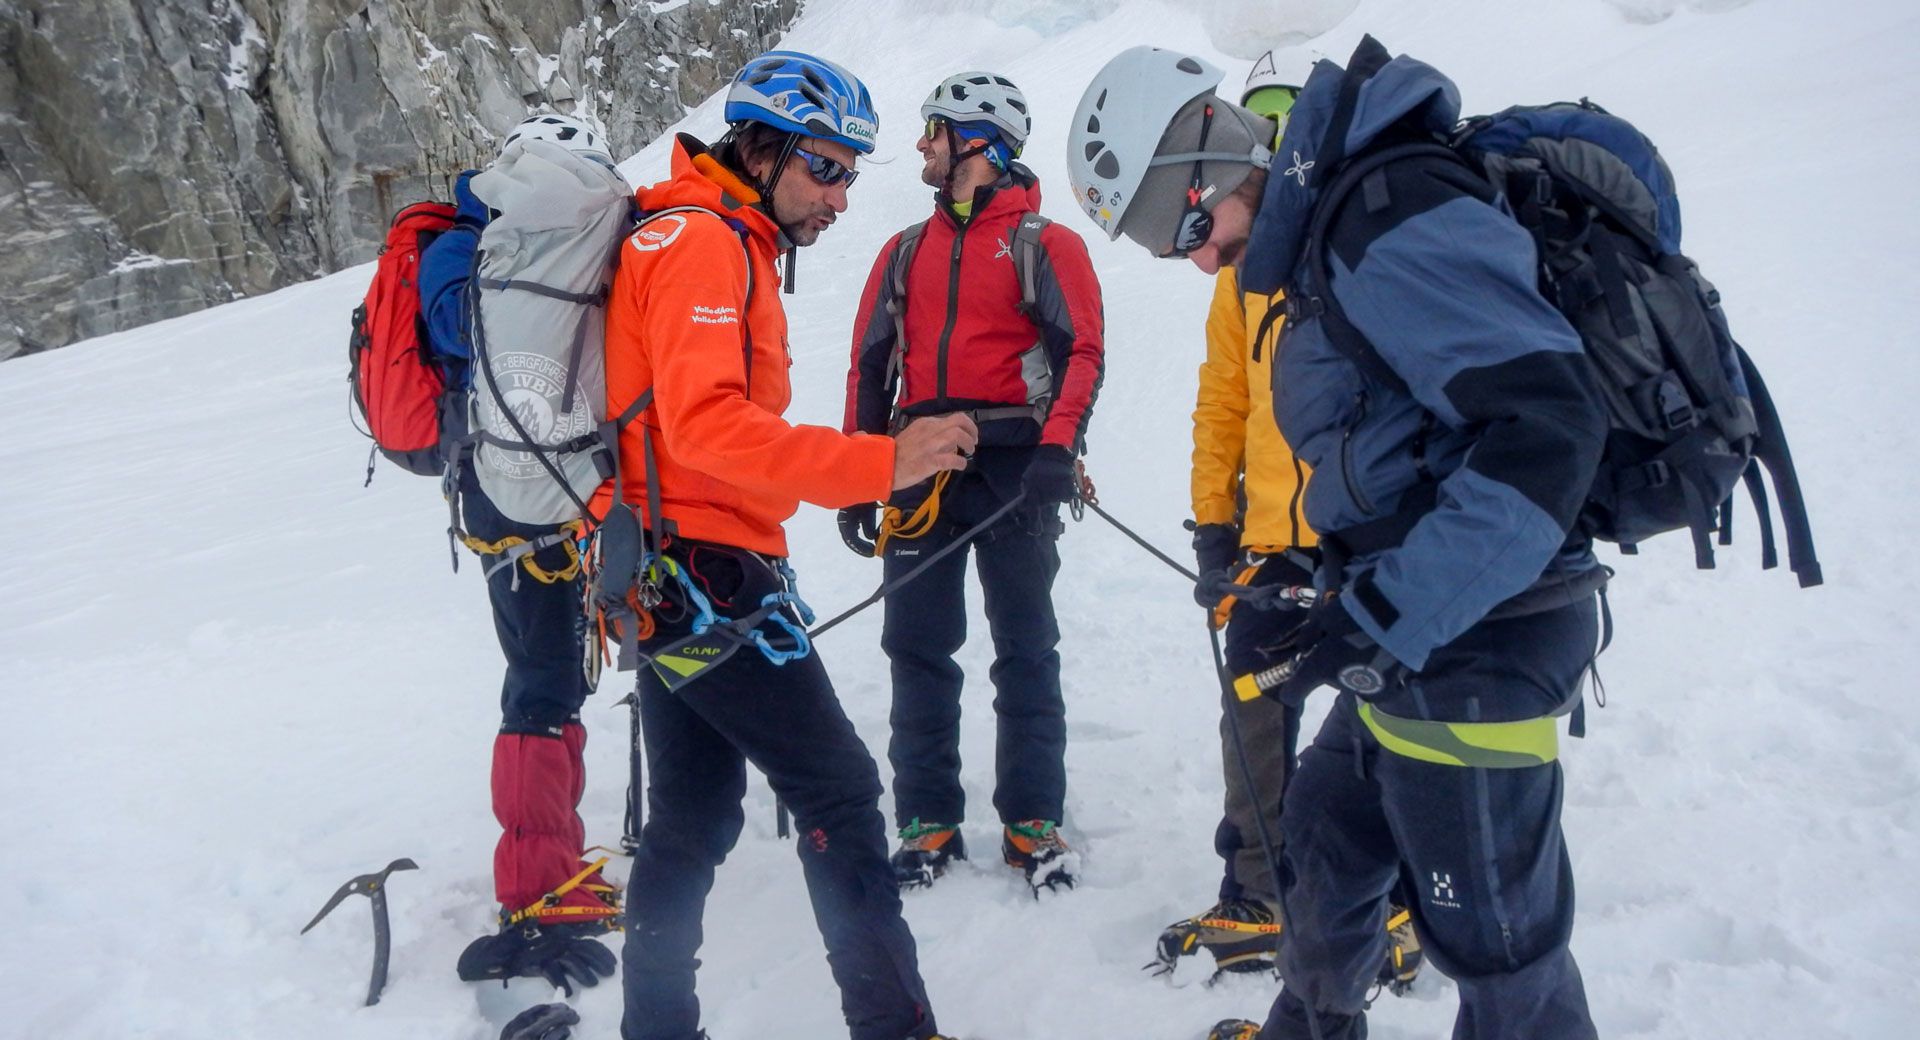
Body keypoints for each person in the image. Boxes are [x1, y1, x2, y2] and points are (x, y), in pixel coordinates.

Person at [1069, 39, 1609, 1040]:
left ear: (1209, 151)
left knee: (1500, 951)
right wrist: (1324, 574)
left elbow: (1549, 430)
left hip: (1481, 639)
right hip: (1416, 624)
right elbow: (1405, 436)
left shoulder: (1386, 220)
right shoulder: (1329, 233)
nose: (1193, 256)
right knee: (1323, 830)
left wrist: (1385, 608)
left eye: (1180, 222)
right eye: (1159, 245)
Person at [597, 51, 970, 1040]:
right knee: (838, 792)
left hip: (677, 570)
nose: (842, 194)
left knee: (696, 811)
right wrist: (878, 463)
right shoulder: (699, 243)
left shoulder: (719, 235)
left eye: (852, 170)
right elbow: (708, 429)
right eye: (827, 167)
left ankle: (656, 1025)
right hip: (704, 571)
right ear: (760, 149)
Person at [1151, 49, 1419, 991]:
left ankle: (1397, 899)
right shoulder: (1237, 276)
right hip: (1273, 538)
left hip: (1369, 536)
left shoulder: (1351, 248)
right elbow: (1222, 398)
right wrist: (1211, 523)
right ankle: (1258, 887)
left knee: (1382, 710)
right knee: (1253, 703)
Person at [838, 71, 1106, 893]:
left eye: (935, 130)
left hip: (1016, 468)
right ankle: (927, 820)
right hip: (919, 469)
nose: (922, 145)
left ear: (978, 143)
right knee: (917, 646)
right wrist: (860, 470)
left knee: (1025, 649)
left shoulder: (1044, 243)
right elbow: (870, 367)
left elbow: (1082, 356)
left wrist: (1057, 451)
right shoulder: (904, 251)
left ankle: (1032, 820)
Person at [418, 113, 622, 995]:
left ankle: (551, 869)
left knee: (543, 676)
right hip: (571, 486)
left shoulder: (459, 245)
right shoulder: (578, 233)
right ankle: (540, 888)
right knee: (545, 685)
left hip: (494, 495)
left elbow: (451, 345)